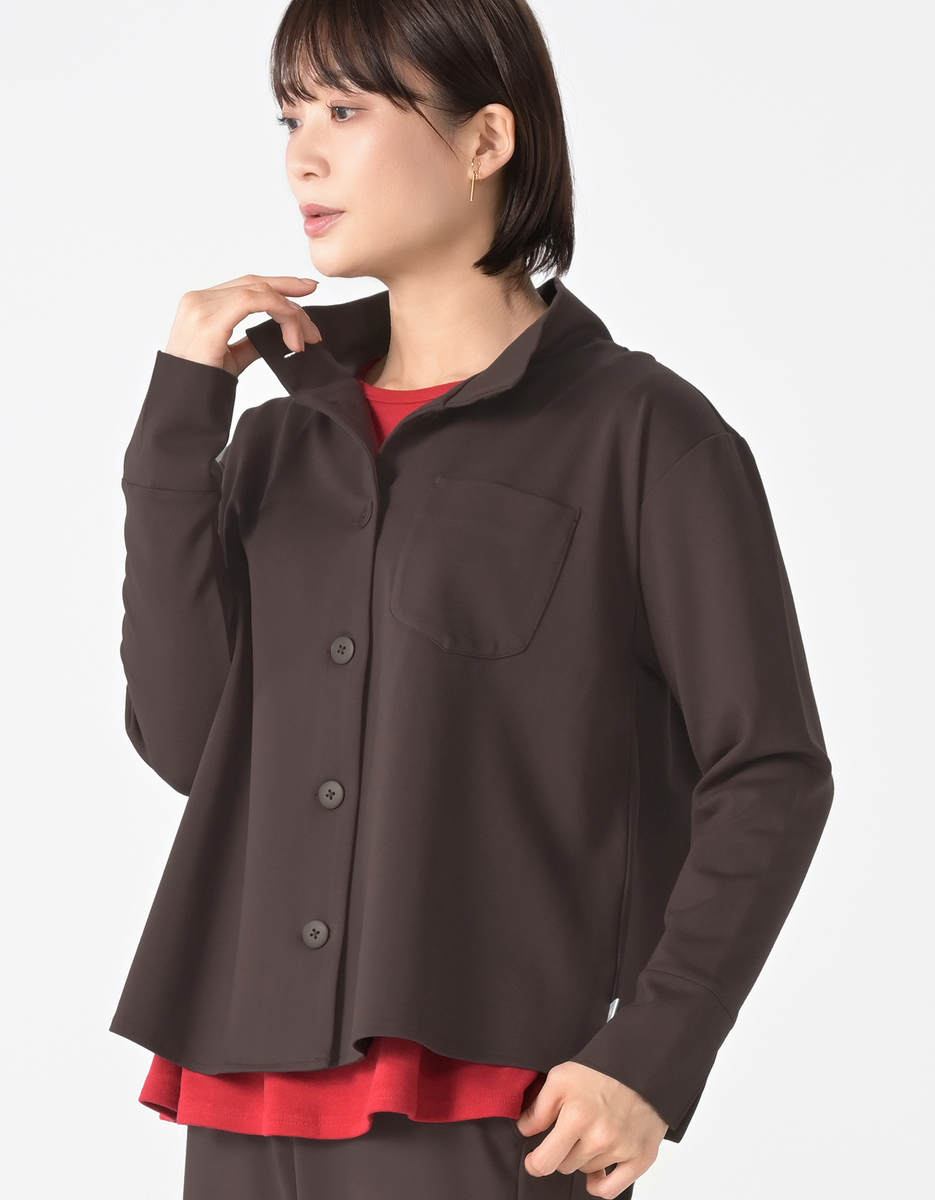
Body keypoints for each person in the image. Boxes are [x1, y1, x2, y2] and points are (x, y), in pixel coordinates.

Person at [111, 1, 834, 1197]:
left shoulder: (645, 437)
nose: (303, 156)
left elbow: (769, 767)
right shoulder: (276, 449)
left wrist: (652, 1054)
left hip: (495, 1106)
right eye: (292, 118)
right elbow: (193, 745)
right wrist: (179, 424)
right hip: (245, 1097)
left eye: (345, 110)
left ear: (486, 140)